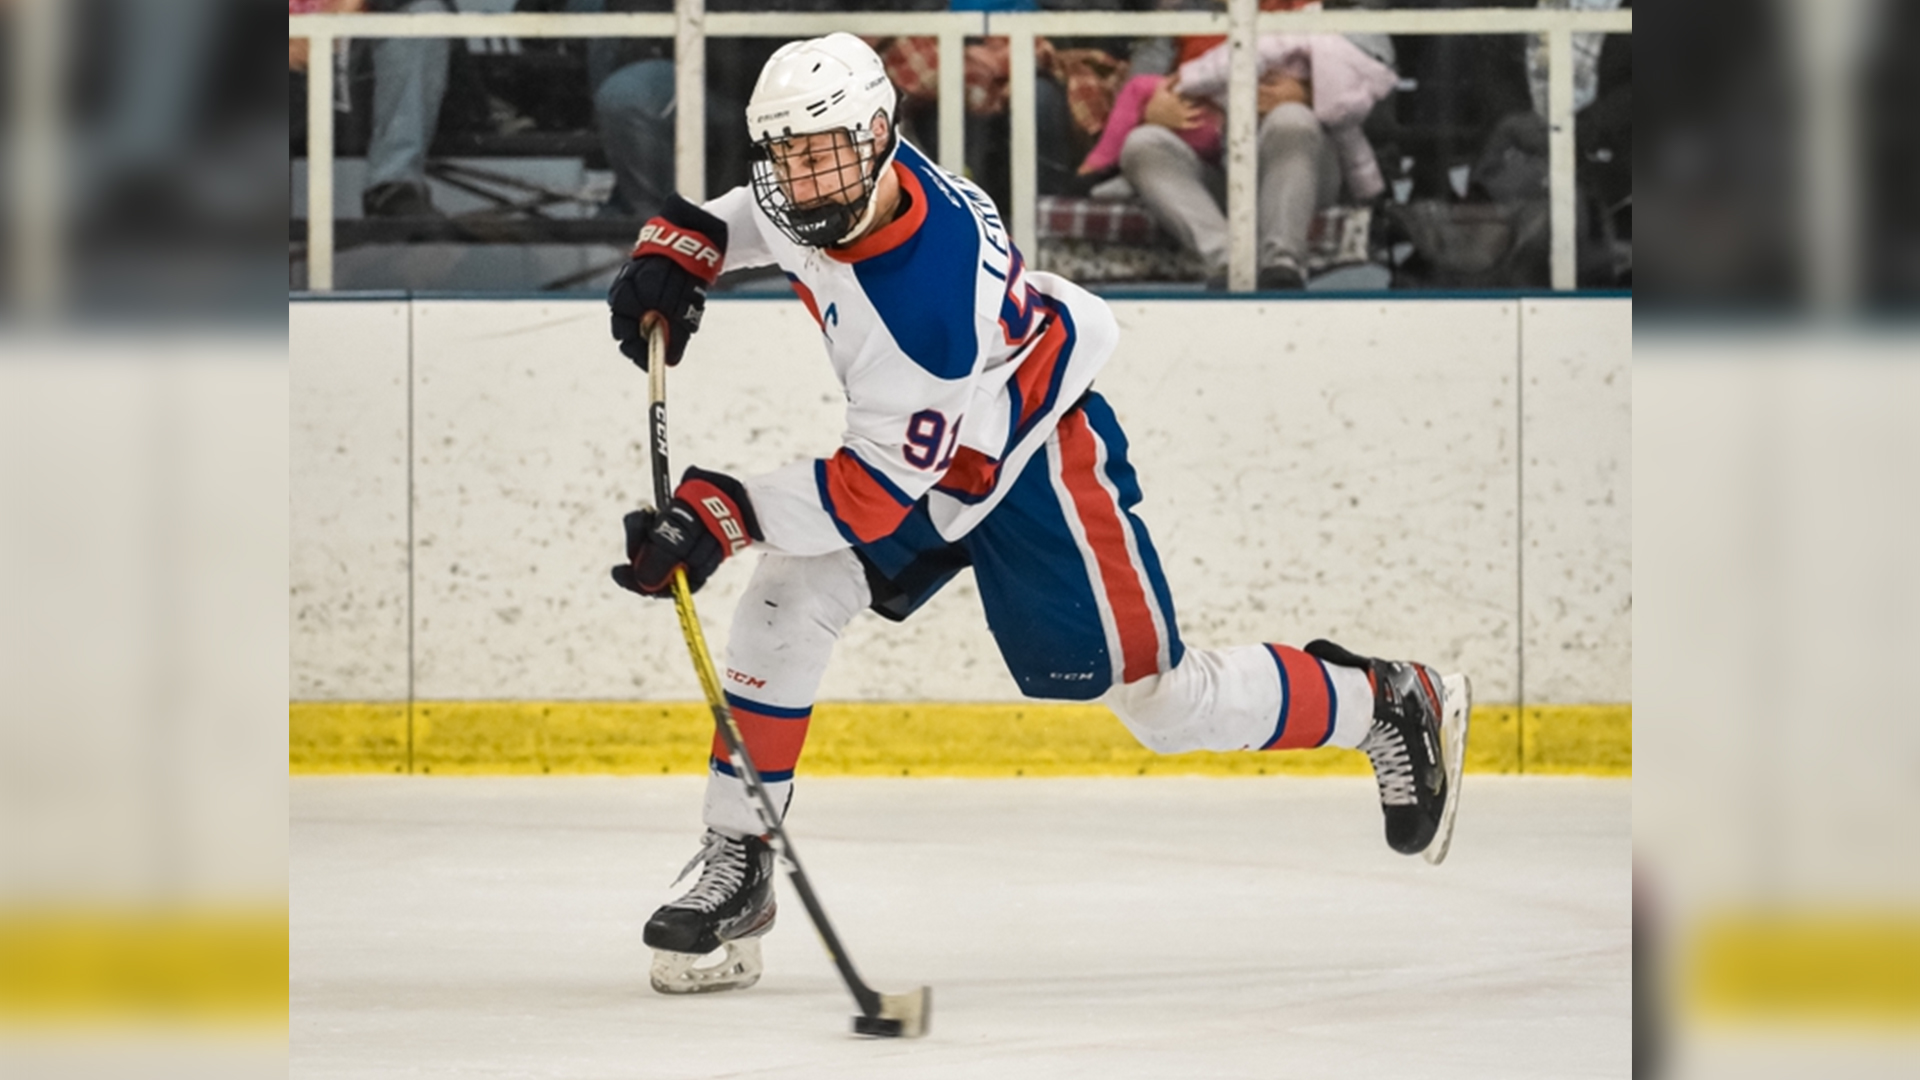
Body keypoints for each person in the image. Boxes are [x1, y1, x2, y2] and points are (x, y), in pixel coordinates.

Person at [603, 33, 1468, 995]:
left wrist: (716, 516)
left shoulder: (927, 306)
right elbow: (759, 216)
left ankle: (1387, 701)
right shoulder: (851, 177)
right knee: (788, 596)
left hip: (1033, 457)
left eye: (824, 156)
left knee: (1164, 704)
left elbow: (865, 495)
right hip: (930, 448)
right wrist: (682, 248)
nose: (803, 184)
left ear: (880, 135)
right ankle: (740, 858)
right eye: (787, 157)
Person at [1115, 5, 1396, 289]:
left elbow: (1379, 97)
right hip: (1215, 169)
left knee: (1290, 117)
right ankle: (1228, 262)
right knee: (1142, 143)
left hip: (1305, 169)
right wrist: (1151, 108)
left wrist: (1309, 94)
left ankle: (1281, 265)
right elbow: (1134, 91)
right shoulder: (1186, 9)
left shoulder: (1336, 7)